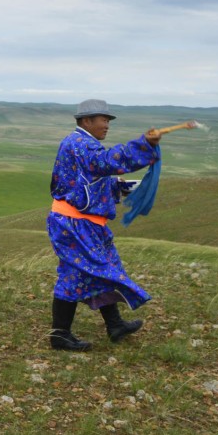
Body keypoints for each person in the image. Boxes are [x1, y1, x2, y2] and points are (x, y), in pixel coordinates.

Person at [47, 99, 161, 351]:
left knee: (102, 269)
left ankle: (115, 325)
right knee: (79, 274)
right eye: (104, 119)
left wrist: (124, 187)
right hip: (74, 224)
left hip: (86, 223)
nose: (107, 125)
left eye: (108, 120)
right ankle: (59, 335)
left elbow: (92, 180)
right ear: (87, 121)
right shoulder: (80, 144)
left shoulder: (83, 145)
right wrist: (144, 146)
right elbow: (108, 162)